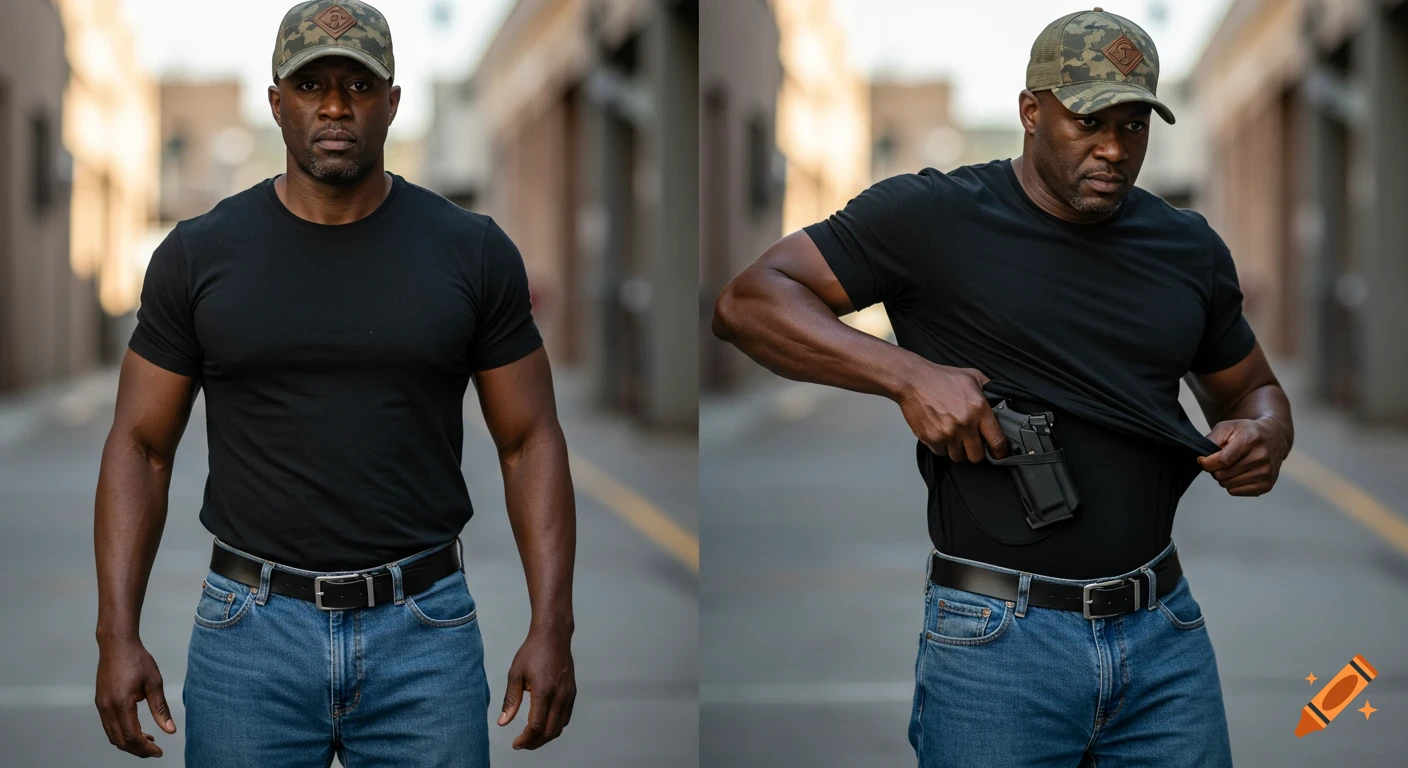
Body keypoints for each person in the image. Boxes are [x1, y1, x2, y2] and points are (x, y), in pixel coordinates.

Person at [713, 7, 1292, 767]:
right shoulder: (933, 216)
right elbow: (750, 300)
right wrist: (906, 374)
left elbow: (1255, 392)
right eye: (1089, 121)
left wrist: (1263, 435)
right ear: (1030, 110)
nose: (1115, 149)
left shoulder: (1185, 247)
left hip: (1165, 641)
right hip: (997, 645)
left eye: (1134, 125)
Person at [93, 2, 576, 764]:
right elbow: (140, 446)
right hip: (249, 634)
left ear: (392, 103)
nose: (335, 105)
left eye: (358, 84)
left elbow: (529, 441)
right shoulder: (199, 254)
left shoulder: (470, 250)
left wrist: (553, 626)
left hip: (425, 633)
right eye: (312, 83)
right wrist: (116, 635)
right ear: (276, 103)